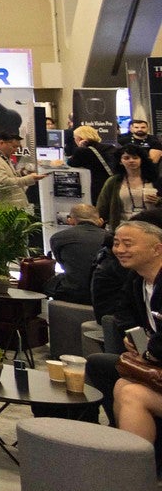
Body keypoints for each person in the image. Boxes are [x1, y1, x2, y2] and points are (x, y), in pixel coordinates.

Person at [83, 217, 162, 423]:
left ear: (157, 249)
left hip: (156, 359)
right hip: (154, 361)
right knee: (102, 368)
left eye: (128, 244)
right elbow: (123, 314)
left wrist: (149, 353)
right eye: (116, 243)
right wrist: (133, 338)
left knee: (130, 393)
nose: (119, 250)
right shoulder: (137, 279)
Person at [49, 205, 109, 301]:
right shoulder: (111, 238)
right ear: (100, 220)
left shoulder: (58, 237)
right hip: (105, 294)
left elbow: (62, 264)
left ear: (70, 220)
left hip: (72, 292)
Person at [0, 131, 53, 208]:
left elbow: (9, 177)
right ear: (1, 143)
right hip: (2, 210)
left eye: (17, 147)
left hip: (11, 208)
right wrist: (29, 179)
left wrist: (22, 173)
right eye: (14, 146)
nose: (16, 150)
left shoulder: (1, 156)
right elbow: (2, 183)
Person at [96, 144, 157, 225]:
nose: (131, 160)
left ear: (141, 160)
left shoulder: (155, 179)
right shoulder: (113, 181)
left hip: (151, 225)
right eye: (126, 158)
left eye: (135, 157)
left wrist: (159, 200)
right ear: (120, 161)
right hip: (122, 226)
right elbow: (103, 205)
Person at [66, 124, 113, 201]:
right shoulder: (109, 147)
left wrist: (80, 148)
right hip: (111, 183)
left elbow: (71, 163)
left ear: (79, 138)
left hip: (97, 185)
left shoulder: (82, 151)